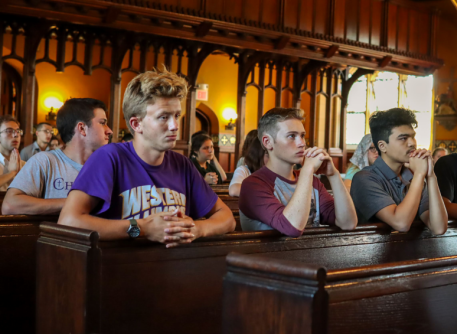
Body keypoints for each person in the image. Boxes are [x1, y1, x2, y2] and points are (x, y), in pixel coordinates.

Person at [58, 68, 235, 248]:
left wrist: (196, 229)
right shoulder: (110, 157)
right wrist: (141, 229)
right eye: (163, 117)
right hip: (123, 268)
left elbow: (227, 218)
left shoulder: (182, 164)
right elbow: (68, 221)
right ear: (136, 124)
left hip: (176, 268)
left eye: (176, 116)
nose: (174, 126)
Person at [239, 107, 357, 236]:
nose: (302, 143)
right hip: (269, 256)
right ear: (268, 142)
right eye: (291, 136)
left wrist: (333, 175)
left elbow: (348, 223)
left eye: (302, 136)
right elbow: (292, 228)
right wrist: (307, 169)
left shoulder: (313, 182)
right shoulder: (253, 185)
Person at [2, 98, 112, 215]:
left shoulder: (108, 167)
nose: (110, 131)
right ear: (82, 128)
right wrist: (76, 203)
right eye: (102, 123)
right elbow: (10, 205)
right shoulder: (44, 161)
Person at [350, 108, 447, 234]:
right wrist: (419, 174)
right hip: (372, 252)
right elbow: (401, 224)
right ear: (382, 146)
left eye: (413, 137)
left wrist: (431, 176)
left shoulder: (413, 177)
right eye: (403, 138)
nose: (412, 143)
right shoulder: (364, 179)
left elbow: (439, 228)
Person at [229, 131, 268, 197]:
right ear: (258, 154)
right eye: (268, 154)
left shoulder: (276, 171)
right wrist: (265, 193)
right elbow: (234, 191)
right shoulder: (244, 170)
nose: (273, 159)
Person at [0, 115, 25, 191]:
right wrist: (12, 173)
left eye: (18, 131)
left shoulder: (25, 165)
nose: (16, 135)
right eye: (9, 131)